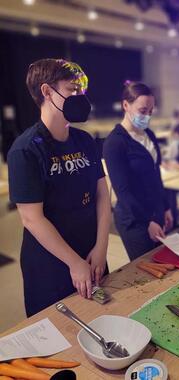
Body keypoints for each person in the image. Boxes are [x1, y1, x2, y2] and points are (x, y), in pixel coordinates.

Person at [7, 59, 111, 317]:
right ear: (46, 91)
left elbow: (102, 195)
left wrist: (101, 247)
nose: (80, 97)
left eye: (81, 91)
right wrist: (74, 262)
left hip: (91, 253)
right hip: (51, 262)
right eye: (72, 90)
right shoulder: (26, 149)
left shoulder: (85, 140)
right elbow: (32, 219)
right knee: (59, 333)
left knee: (102, 319)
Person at [103, 81, 173, 260]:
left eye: (151, 111)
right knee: (147, 270)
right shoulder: (115, 143)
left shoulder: (149, 135)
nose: (147, 116)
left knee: (163, 264)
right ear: (126, 105)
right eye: (143, 111)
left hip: (155, 212)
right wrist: (146, 222)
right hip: (134, 220)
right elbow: (123, 191)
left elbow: (156, 175)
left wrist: (165, 207)